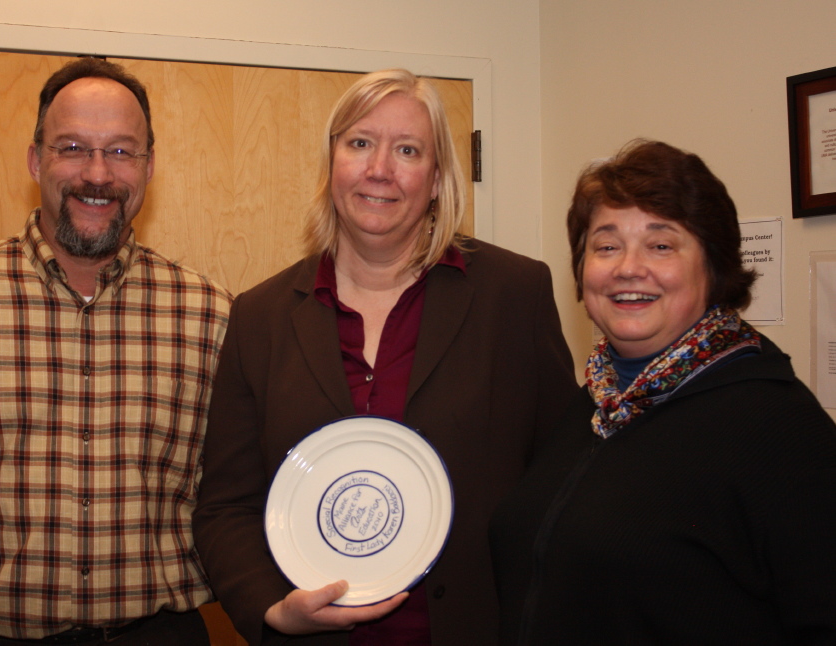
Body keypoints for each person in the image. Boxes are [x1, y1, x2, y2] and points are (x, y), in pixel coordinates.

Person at [192, 68, 577, 646]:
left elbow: (564, 484)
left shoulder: (514, 295)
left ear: (438, 177)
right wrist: (273, 609)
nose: (379, 169)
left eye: (407, 150)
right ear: (332, 163)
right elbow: (227, 507)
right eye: (360, 143)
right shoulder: (260, 317)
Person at [0, 57, 231, 645]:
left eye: (121, 151)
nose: (97, 174)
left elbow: (229, 486)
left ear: (149, 167)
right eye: (72, 147)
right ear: (34, 160)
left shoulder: (209, 315)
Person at [489, 139, 836, 645]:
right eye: (606, 246)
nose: (628, 267)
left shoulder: (779, 428)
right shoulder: (595, 405)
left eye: (661, 245)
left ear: (713, 266)